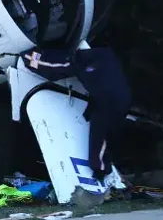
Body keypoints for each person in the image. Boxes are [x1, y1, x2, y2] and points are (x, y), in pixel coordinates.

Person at [21, 46, 132, 182]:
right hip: (117, 99)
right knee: (104, 136)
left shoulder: (89, 62)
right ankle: (101, 167)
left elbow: (55, 68)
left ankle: (100, 168)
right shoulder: (103, 59)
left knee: (100, 135)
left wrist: (29, 58)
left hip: (109, 102)